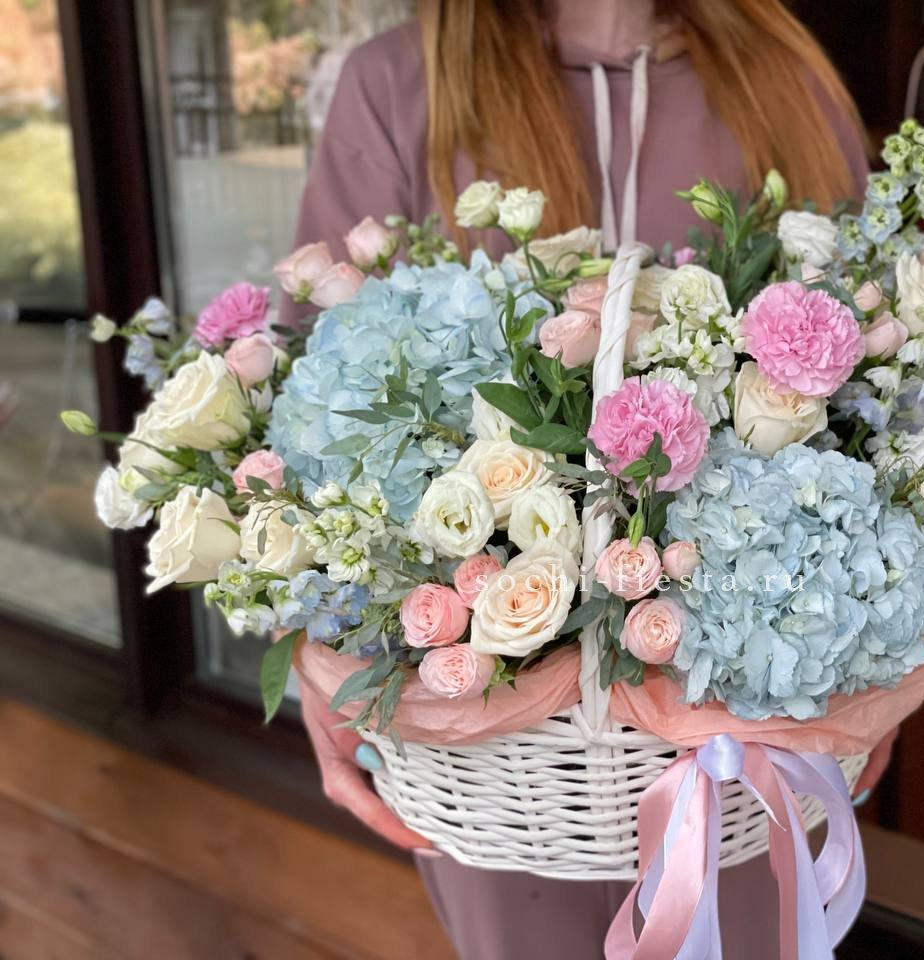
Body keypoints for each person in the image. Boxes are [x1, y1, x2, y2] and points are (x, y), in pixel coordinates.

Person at [291, 1, 885, 955]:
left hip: (745, 747)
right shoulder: (404, 84)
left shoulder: (786, 79)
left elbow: (879, 395)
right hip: (505, 766)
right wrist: (317, 658)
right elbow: (311, 410)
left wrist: (882, 675)